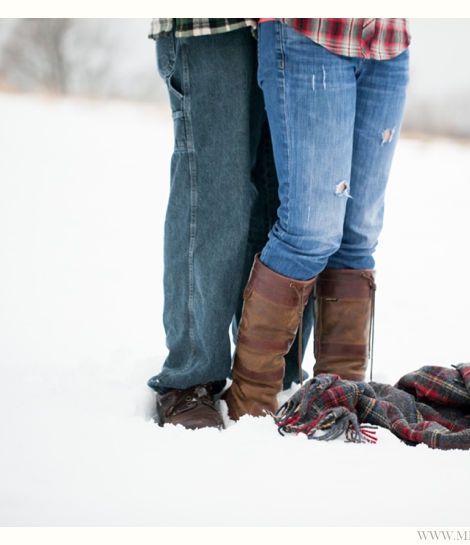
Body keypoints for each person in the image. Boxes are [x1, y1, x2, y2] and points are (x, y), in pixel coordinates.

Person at [223, 18, 411, 421]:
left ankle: (339, 400)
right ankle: (250, 403)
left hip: (388, 40)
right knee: (309, 231)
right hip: (311, 29)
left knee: (358, 233)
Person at [146, 18, 313, 430]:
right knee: (214, 190)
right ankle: (191, 377)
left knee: (287, 203)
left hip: (291, 26)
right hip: (214, 23)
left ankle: (271, 373)